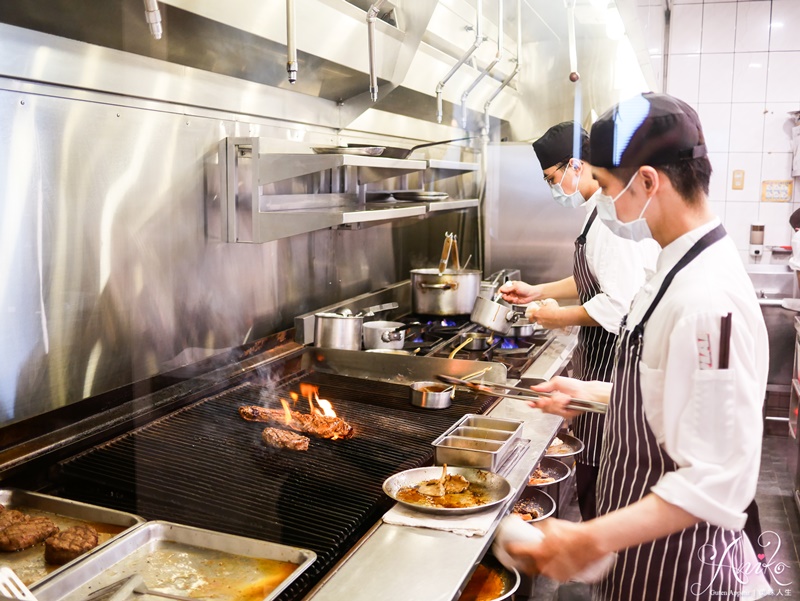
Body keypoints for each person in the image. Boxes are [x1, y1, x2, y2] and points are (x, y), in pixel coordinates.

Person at [502, 93, 770, 599]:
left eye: (603, 184)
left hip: (681, 570)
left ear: (648, 181)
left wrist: (588, 538)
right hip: (642, 557)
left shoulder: (707, 300)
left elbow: (718, 480)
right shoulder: (677, 264)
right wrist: (589, 393)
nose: (599, 198)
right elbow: (669, 386)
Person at [499, 122, 659, 522]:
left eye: (553, 178)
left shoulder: (609, 220)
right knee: (596, 476)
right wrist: (537, 291)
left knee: (605, 486)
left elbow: (617, 303)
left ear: (575, 165)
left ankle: (608, 567)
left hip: (615, 363)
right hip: (603, 363)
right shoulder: (597, 213)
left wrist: (557, 316)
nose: (554, 189)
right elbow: (595, 278)